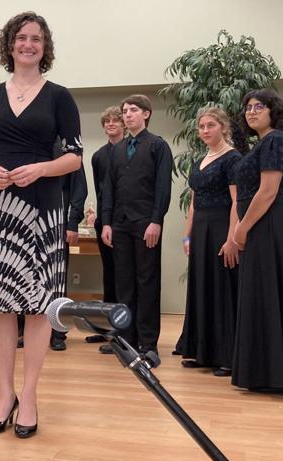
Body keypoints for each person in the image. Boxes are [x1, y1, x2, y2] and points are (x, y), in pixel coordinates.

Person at [0, 12, 82, 438]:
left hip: (42, 205)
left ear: (44, 47)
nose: (28, 44)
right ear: (9, 44)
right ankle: (3, 395)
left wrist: (43, 169)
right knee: (0, 305)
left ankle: (29, 397)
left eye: (36, 39)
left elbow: (74, 155)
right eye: (21, 38)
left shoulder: (60, 97)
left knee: (36, 305)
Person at [224, 89, 283, 394]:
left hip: (275, 222)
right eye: (248, 108)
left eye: (259, 107)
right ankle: (267, 370)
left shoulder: (276, 139)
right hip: (266, 222)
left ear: (272, 111)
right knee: (263, 293)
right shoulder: (262, 143)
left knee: (275, 292)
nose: (252, 112)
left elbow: (267, 191)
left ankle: (282, 373)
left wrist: (241, 228)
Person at [100, 94, 173, 356]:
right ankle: (125, 339)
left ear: (146, 114)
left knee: (147, 282)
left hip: (145, 224)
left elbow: (163, 188)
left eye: (133, 110)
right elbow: (109, 188)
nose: (127, 114)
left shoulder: (157, 146)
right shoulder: (118, 149)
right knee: (124, 284)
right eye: (125, 110)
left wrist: (156, 221)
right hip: (119, 224)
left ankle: (148, 344)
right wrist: (106, 222)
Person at [173, 107, 241, 377]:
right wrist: (188, 234)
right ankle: (201, 351)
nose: (205, 131)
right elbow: (193, 202)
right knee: (201, 288)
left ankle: (226, 355)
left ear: (223, 127)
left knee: (223, 289)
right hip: (200, 229)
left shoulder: (233, 158)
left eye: (210, 125)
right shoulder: (199, 160)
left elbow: (237, 201)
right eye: (201, 127)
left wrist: (232, 238)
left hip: (222, 226)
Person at [83, 106, 124, 344]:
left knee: (124, 277)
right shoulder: (98, 156)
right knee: (108, 275)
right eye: (106, 121)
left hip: (126, 222)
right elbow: (101, 192)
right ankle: (108, 327)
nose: (110, 124)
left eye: (115, 121)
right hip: (104, 222)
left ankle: (124, 329)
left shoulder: (131, 150)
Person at [50, 157, 88, 351]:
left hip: (59, 226)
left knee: (58, 281)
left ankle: (57, 332)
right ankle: (28, 330)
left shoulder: (67, 152)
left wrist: (72, 224)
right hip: (31, 224)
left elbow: (79, 192)